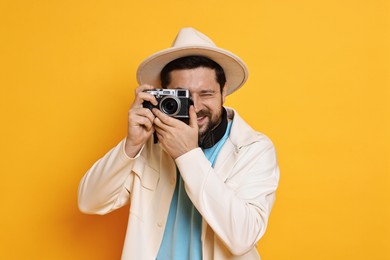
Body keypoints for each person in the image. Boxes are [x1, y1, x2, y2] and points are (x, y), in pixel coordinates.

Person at [78, 27, 280, 260]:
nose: (195, 107)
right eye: (182, 95)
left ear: (224, 92)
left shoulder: (254, 149)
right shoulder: (149, 143)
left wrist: (188, 154)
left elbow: (243, 238)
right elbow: (89, 201)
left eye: (206, 94)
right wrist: (130, 145)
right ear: (164, 94)